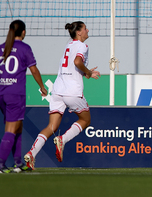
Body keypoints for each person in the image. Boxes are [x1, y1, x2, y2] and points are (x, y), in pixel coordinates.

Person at [24, 21, 100, 170]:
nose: (88, 30)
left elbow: (71, 68)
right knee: (85, 120)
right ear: (78, 32)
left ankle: (31, 153)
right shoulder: (82, 46)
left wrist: (86, 73)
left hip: (58, 91)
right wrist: (89, 72)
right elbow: (77, 61)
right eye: (85, 29)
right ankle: (62, 140)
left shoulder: (69, 45)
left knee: (51, 126)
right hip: (72, 91)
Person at [0, 20, 47, 173]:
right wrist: (41, 86)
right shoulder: (25, 48)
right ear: (24, 32)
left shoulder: (0, 48)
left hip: (1, 93)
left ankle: (18, 164)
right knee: (11, 129)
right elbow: (34, 70)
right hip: (16, 93)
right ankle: (0, 166)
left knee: (17, 126)